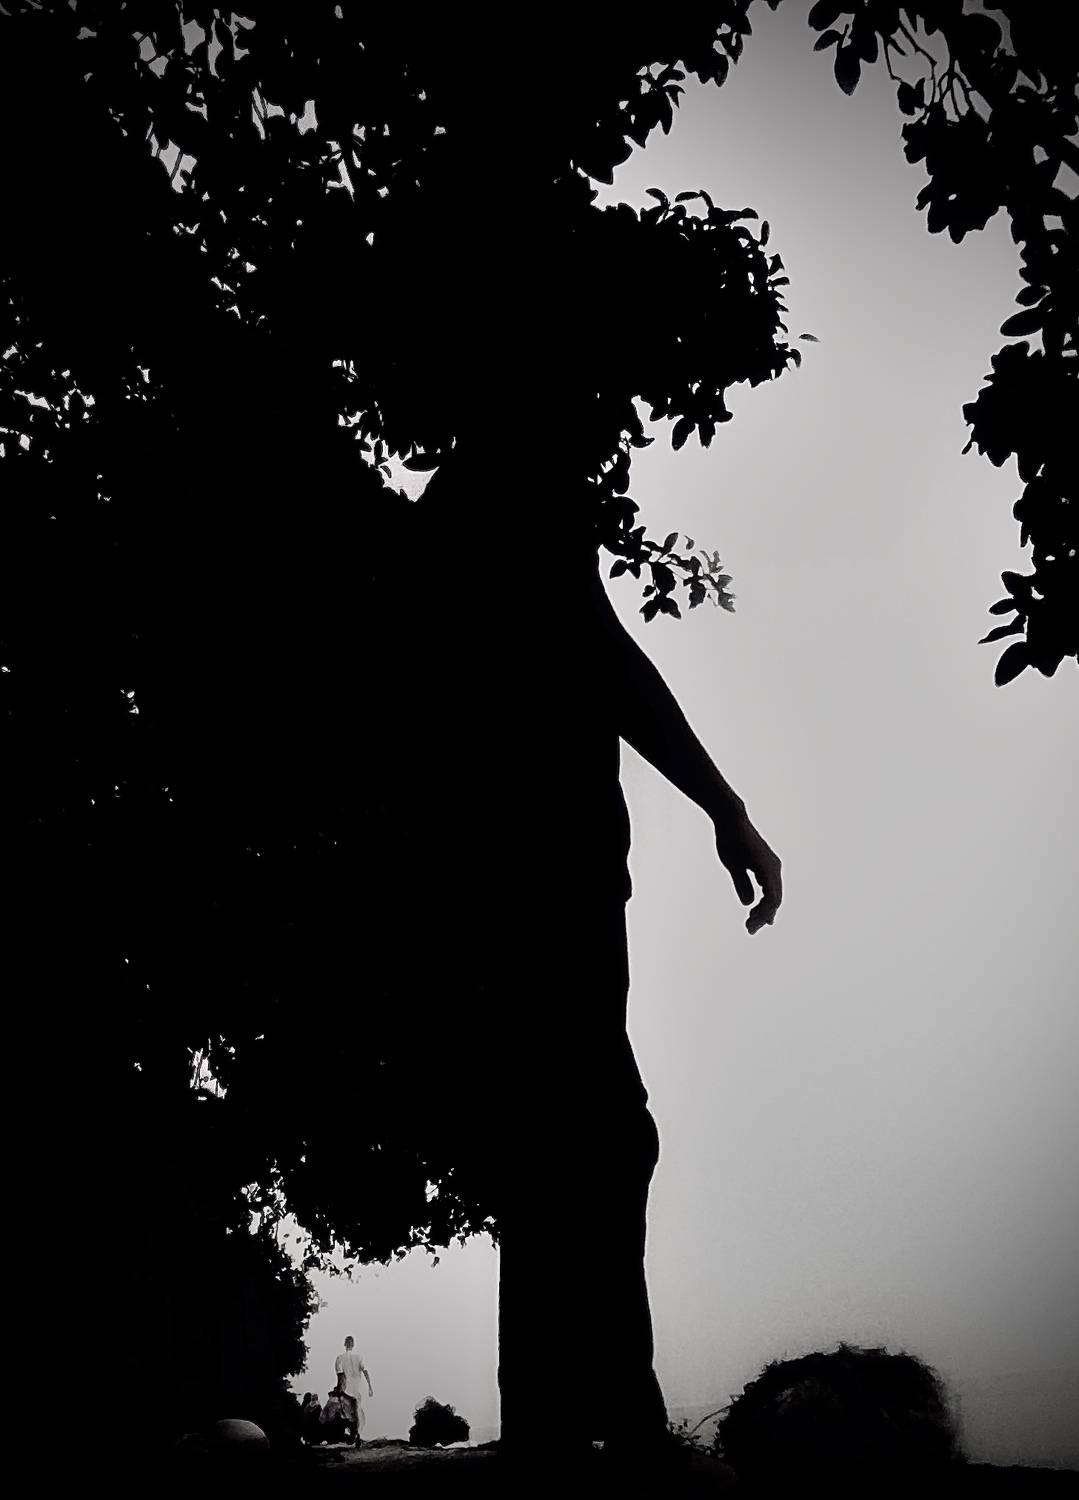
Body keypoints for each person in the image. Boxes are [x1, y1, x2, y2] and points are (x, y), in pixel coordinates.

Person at [409, 410, 783, 1469]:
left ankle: (560, 1421)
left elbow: (592, 656)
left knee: (562, 1139)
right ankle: (604, 1416)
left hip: (530, 875)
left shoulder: (480, 489)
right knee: (596, 1138)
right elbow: (603, 659)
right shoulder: (513, 477)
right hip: (539, 875)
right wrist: (724, 807)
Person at [334, 1335, 373, 1446]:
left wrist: (338, 1389)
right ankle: (357, 1434)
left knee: (345, 1413)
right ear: (353, 1345)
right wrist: (370, 1386)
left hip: (346, 1390)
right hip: (357, 1389)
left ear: (344, 1344)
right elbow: (365, 1371)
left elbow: (340, 1376)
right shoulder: (359, 1357)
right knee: (357, 1411)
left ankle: (352, 1434)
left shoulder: (340, 1358)